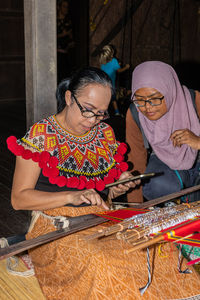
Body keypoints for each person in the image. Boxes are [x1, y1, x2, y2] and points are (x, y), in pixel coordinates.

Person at [7, 67, 141, 299]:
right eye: (88, 110)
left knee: (146, 249)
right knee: (102, 263)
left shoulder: (104, 134)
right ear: (69, 98)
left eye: (101, 113)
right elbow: (19, 199)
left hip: (100, 217)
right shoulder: (41, 137)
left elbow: (104, 189)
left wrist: (117, 185)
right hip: (54, 226)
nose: (92, 120)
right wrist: (70, 196)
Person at [126, 61, 200, 203]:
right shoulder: (135, 113)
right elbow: (136, 162)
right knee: (156, 184)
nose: (148, 107)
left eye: (155, 99)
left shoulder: (195, 101)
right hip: (165, 166)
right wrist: (134, 210)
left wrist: (197, 142)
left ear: (169, 90)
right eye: (140, 100)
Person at [99, 44, 130, 116]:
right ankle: (115, 112)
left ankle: (106, 112)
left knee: (107, 98)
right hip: (110, 84)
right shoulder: (114, 61)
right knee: (113, 99)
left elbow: (109, 67)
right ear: (111, 53)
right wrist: (126, 67)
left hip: (102, 83)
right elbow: (119, 71)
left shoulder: (102, 60)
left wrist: (117, 64)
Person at [57, 0, 75, 83]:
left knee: (67, 76)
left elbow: (70, 34)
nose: (66, 9)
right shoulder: (55, 21)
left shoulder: (68, 20)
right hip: (57, 53)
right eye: (64, 6)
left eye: (67, 7)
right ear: (59, 7)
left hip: (66, 51)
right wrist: (63, 35)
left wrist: (71, 41)